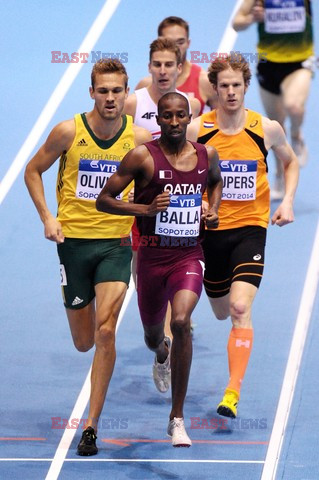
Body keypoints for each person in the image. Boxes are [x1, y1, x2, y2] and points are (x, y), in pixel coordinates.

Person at [24, 59, 152, 456]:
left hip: (116, 244)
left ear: (127, 93)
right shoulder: (68, 132)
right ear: (92, 92)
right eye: (103, 90)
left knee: (107, 331)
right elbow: (32, 170)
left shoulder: (139, 137)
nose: (110, 98)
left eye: (117, 91)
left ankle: (91, 426)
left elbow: (154, 186)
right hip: (74, 244)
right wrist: (48, 217)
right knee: (83, 342)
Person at [96, 92, 223, 446]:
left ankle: (177, 418)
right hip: (151, 257)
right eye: (166, 116)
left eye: (180, 115)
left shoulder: (205, 154)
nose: (173, 122)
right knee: (154, 335)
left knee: (182, 321)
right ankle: (161, 353)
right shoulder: (142, 157)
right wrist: (146, 210)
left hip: (188, 255)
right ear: (159, 119)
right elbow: (103, 200)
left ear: (189, 117)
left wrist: (212, 211)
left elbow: (215, 182)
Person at [187, 55, 299, 419]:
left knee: (239, 308)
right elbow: (176, 168)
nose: (231, 92)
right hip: (210, 231)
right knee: (220, 310)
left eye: (237, 85)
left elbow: (290, 161)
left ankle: (232, 393)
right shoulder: (197, 130)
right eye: (224, 86)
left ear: (246, 87)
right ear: (215, 90)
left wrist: (288, 202)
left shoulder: (265, 128)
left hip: (251, 229)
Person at [125, 37, 200, 338]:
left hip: (179, 208)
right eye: (157, 64)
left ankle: (174, 332)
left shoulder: (190, 104)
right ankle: (161, 334)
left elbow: (199, 152)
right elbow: (121, 146)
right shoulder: (134, 102)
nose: (163, 70)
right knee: (142, 279)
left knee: (179, 266)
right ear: (149, 67)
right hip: (143, 207)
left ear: (180, 68)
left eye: (170, 64)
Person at [232, 0, 314, 200]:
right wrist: (253, 17)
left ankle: (297, 136)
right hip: (268, 65)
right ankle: (279, 176)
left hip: (299, 62)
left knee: (294, 107)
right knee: (277, 127)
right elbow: (237, 22)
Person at [135, 16, 217, 114]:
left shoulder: (204, 82)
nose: (176, 48)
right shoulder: (145, 85)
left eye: (180, 42)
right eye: (170, 42)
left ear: (188, 43)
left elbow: (221, 122)